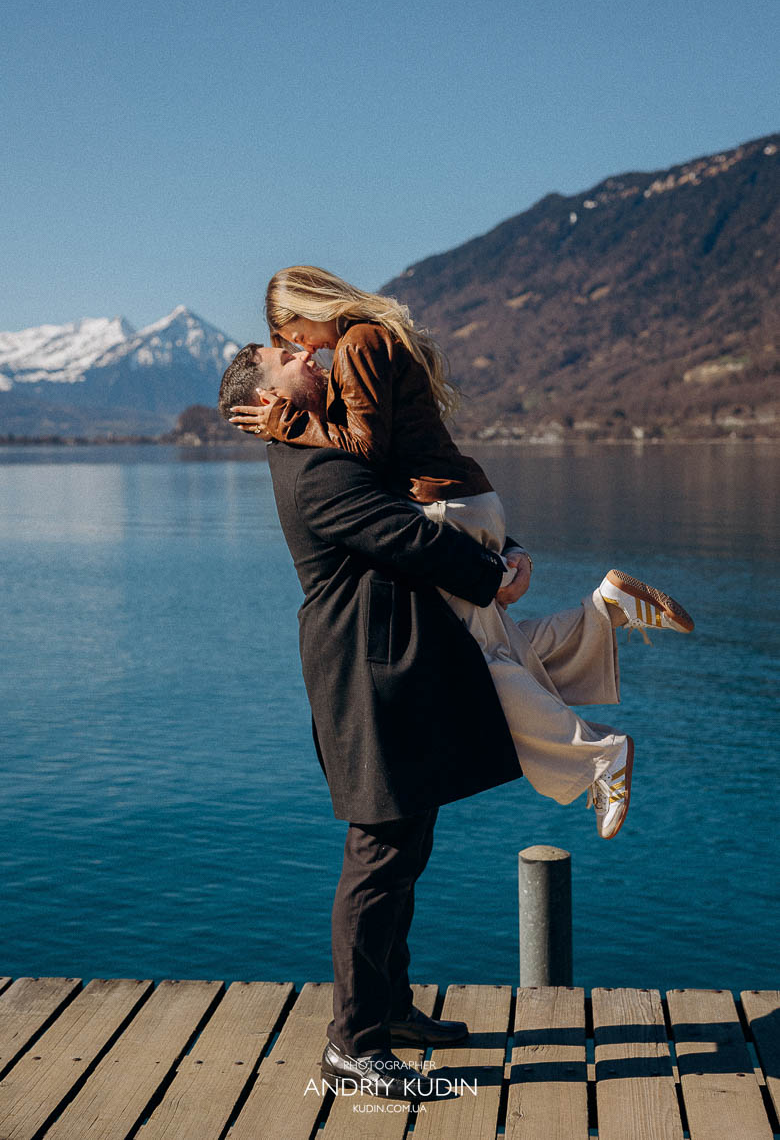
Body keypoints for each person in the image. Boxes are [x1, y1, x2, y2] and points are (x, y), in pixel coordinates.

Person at [227, 268, 694, 839]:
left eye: (296, 334)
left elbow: (365, 453)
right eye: (291, 347)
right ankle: (605, 611)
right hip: (464, 499)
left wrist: (296, 424)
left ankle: (600, 756)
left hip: (443, 505)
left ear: (311, 305)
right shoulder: (373, 337)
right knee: (489, 646)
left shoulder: (358, 343)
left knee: (469, 663)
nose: (305, 348)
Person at [219, 346, 525, 1099]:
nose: (308, 352)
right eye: (286, 355)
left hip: (392, 665)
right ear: (264, 399)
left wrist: (503, 547)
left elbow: (422, 498)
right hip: (364, 675)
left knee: (406, 844)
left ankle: (388, 1009)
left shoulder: (333, 447)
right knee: (379, 855)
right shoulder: (316, 470)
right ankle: (353, 1046)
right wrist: (491, 576)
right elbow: (405, 536)